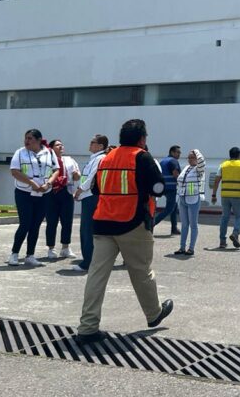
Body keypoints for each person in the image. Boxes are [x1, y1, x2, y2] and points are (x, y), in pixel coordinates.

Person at [76, 119, 174, 344]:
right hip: (132, 223)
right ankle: (154, 314)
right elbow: (158, 188)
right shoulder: (142, 157)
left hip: (103, 223)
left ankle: (87, 327)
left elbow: (96, 188)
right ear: (142, 139)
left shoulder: (107, 157)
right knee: (141, 272)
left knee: (96, 275)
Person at [7, 129, 56, 267]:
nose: (26, 141)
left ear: (39, 140)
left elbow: (56, 170)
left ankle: (30, 255)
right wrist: (31, 183)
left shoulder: (49, 152)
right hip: (24, 193)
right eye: (26, 138)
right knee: (25, 224)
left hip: (43, 193)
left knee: (36, 225)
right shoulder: (20, 152)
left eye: (30, 138)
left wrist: (48, 183)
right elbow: (14, 171)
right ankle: (14, 254)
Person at [70, 135, 110, 273]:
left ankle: (87, 262)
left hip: (91, 197)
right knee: (88, 230)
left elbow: (91, 178)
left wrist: (79, 191)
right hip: (88, 196)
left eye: (93, 142)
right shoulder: (94, 158)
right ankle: (90, 260)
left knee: (87, 230)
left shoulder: (100, 158)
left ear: (100, 146)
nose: (90, 144)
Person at [211, 146, 240, 249]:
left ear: (230, 155)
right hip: (237, 195)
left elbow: (216, 181)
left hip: (225, 195)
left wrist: (214, 195)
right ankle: (235, 233)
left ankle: (222, 242)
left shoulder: (223, 165)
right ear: (239, 155)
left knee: (224, 218)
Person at [45, 139, 81, 260]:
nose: (61, 147)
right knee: (51, 221)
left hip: (66, 191)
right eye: (57, 145)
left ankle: (65, 247)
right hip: (51, 192)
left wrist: (76, 175)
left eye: (61, 145)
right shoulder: (47, 160)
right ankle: (51, 248)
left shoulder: (69, 160)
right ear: (51, 148)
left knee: (67, 221)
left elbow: (77, 177)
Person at [172, 149, 206, 255]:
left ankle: (191, 248)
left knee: (193, 225)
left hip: (193, 199)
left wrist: (196, 151)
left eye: (192, 157)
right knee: (184, 225)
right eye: (189, 157)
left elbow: (202, 161)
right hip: (183, 198)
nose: (190, 159)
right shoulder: (187, 167)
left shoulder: (199, 169)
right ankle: (182, 247)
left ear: (196, 159)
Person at [154, 145, 182, 236]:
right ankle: (152, 224)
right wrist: (182, 183)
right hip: (171, 187)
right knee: (169, 209)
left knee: (174, 206)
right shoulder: (173, 161)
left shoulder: (163, 161)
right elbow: (175, 174)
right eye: (177, 152)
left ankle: (174, 228)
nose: (179, 154)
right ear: (172, 152)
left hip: (163, 187)